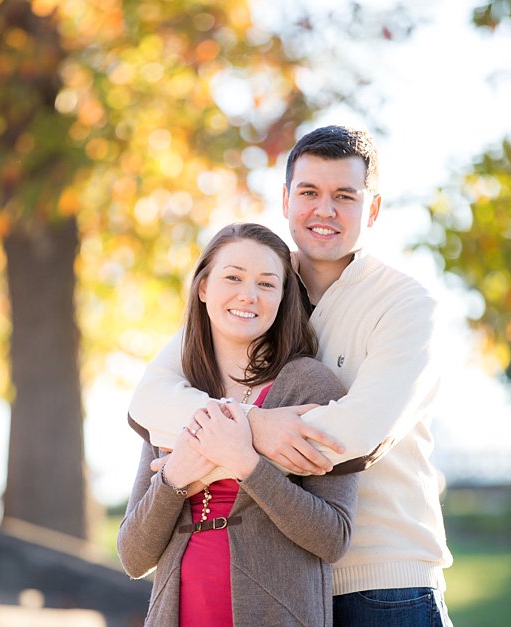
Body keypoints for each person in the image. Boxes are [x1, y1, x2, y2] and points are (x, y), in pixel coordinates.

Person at [128, 125, 454, 626]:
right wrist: (251, 426)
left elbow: (357, 436)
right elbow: (150, 401)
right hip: (288, 577)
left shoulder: (405, 306)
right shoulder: (259, 288)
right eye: (309, 192)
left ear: (372, 209)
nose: (324, 210)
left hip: (384, 583)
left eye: (344, 196)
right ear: (285, 199)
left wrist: (226, 442)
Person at [117, 223, 358, 626]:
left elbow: (332, 538)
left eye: (267, 284)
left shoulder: (311, 386)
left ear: (283, 298)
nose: (248, 295)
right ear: (204, 288)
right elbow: (132, 555)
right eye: (233, 277)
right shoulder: (174, 395)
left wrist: (246, 463)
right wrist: (176, 476)